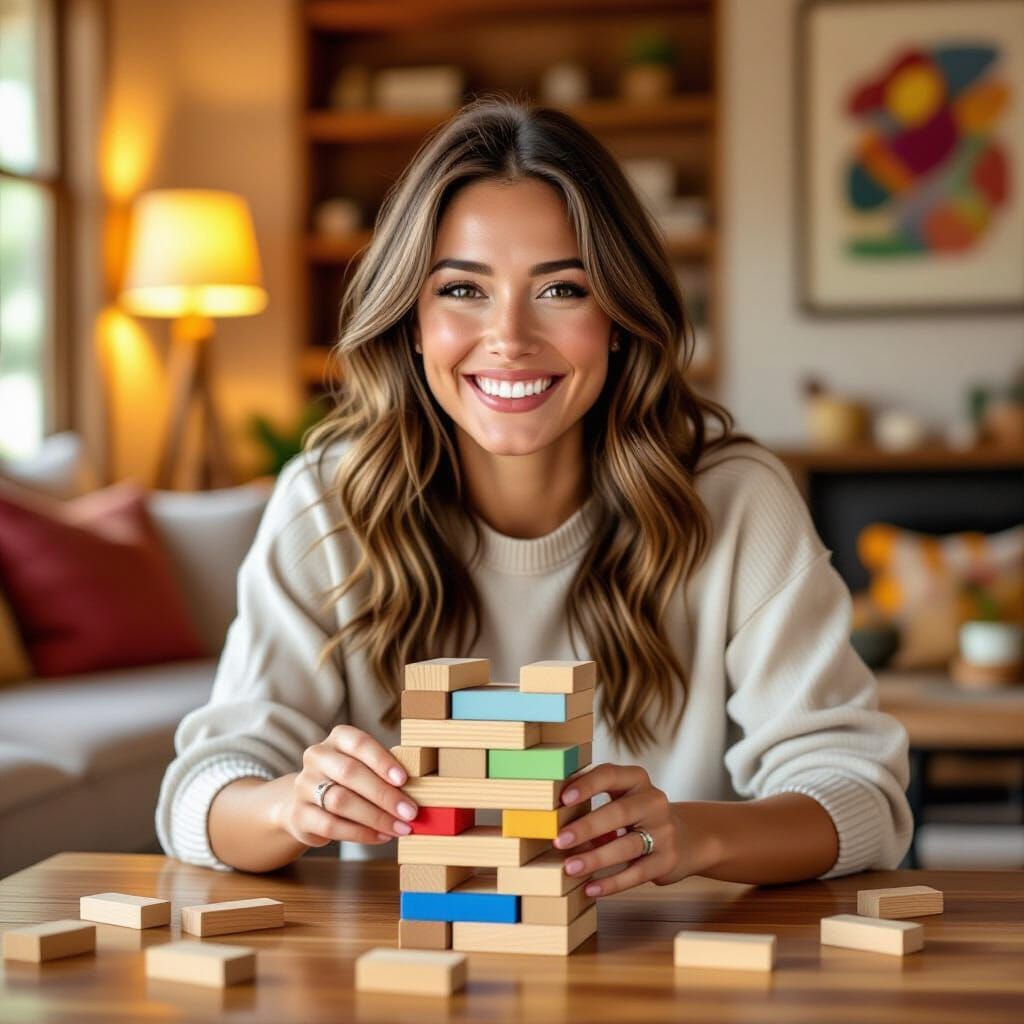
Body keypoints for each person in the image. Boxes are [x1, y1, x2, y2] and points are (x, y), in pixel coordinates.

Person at [155, 95, 912, 895]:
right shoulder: (329, 497)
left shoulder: (736, 500)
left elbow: (858, 792)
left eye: (561, 290)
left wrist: (692, 834)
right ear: (412, 318)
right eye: (461, 289)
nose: (510, 337)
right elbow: (202, 794)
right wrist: (292, 808)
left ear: (619, 316)